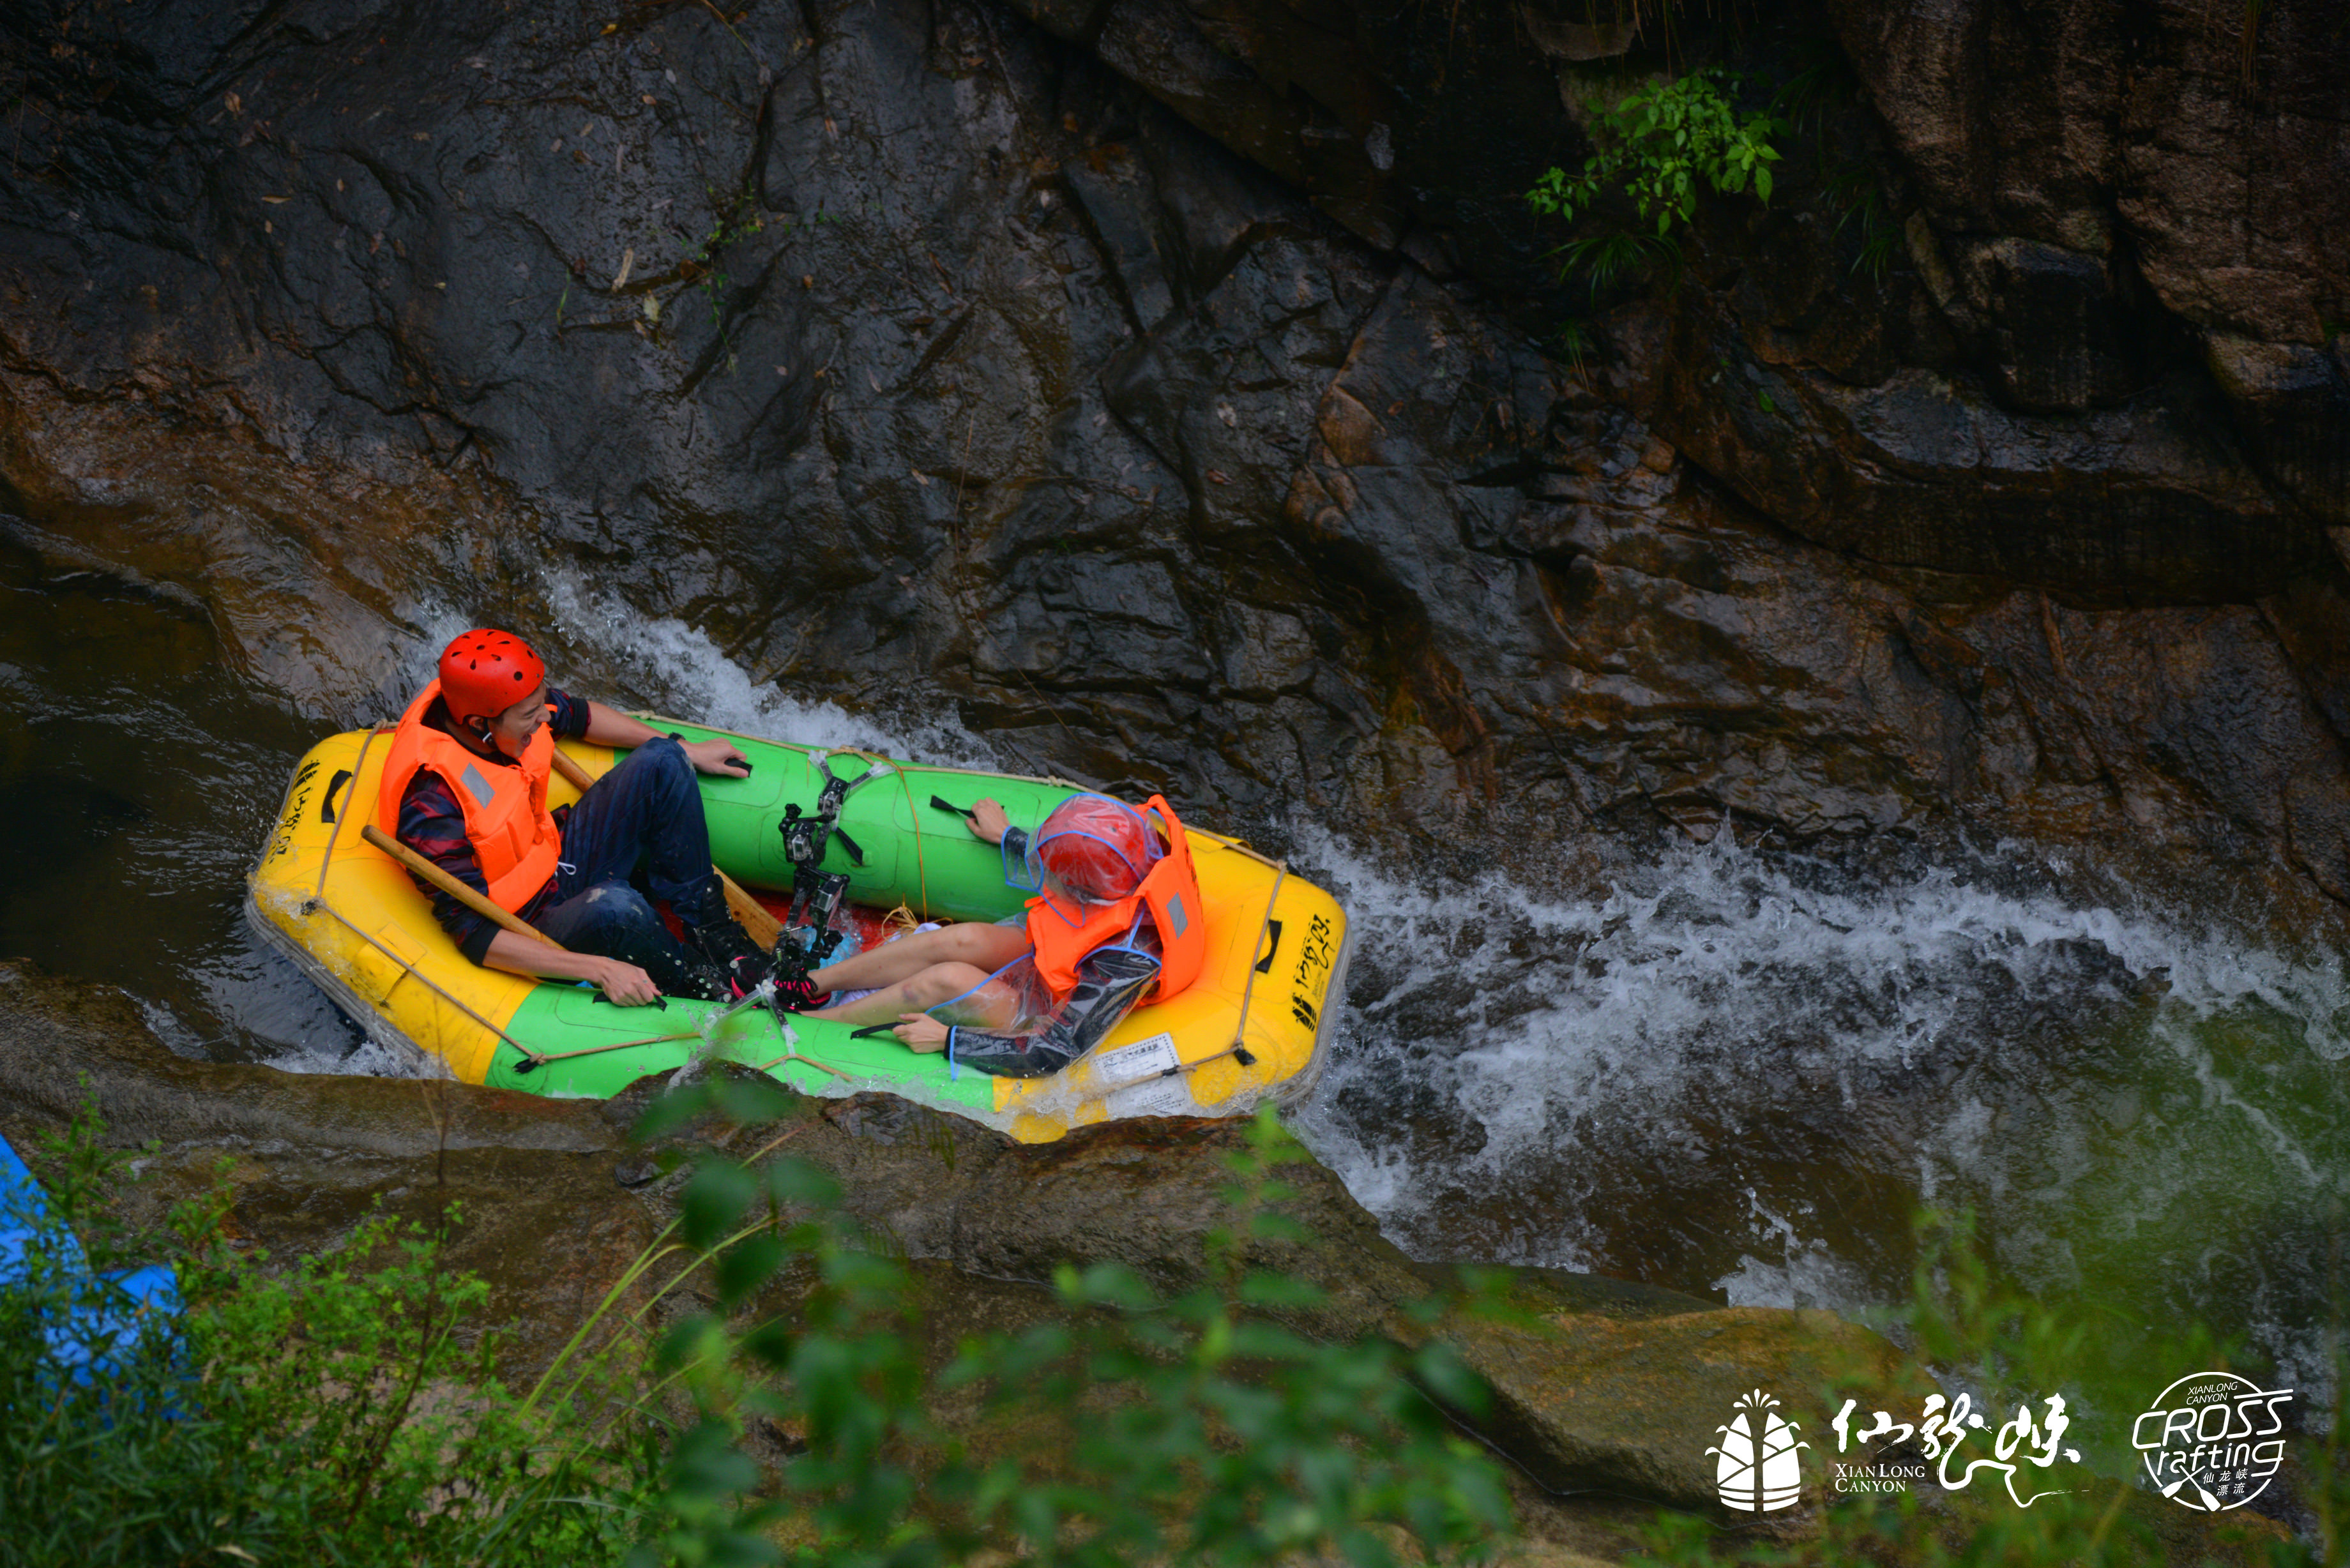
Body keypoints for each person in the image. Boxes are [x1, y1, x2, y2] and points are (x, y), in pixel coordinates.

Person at [377, 628, 773, 1007]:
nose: (545, 718)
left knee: (665, 758)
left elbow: (579, 715)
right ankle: (698, 982)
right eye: (532, 714)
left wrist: (688, 748)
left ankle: (715, 936)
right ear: (481, 724)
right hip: (527, 923)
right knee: (617, 907)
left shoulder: (505, 703)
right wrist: (597, 968)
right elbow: (476, 935)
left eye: (541, 704)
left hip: (555, 856)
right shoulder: (431, 803)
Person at [791, 792, 1207, 1076]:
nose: (1047, 880)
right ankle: (811, 985)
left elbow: (1056, 1049)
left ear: (1085, 893)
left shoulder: (1128, 958)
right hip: (1056, 964)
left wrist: (951, 1040)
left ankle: (812, 1023)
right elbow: (1077, 857)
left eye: (1057, 878)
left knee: (948, 978)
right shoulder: (1131, 861)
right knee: (962, 941)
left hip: (1056, 1008)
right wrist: (1008, 836)